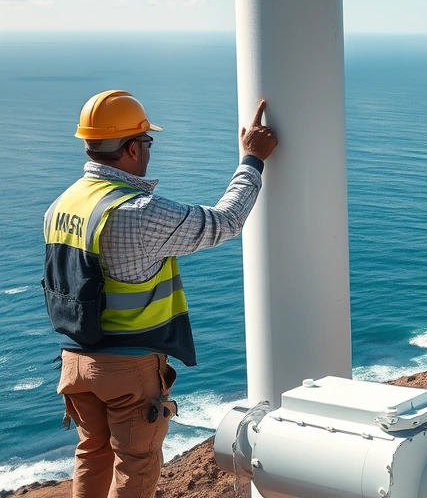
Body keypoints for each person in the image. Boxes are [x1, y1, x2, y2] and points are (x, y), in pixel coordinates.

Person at [43, 90, 278, 498]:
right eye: (147, 141)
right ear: (132, 147)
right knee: (136, 465)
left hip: (74, 362)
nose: (149, 150)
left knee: (91, 454)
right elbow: (225, 221)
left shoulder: (63, 204)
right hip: (127, 367)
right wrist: (252, 159)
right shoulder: (136, 212)